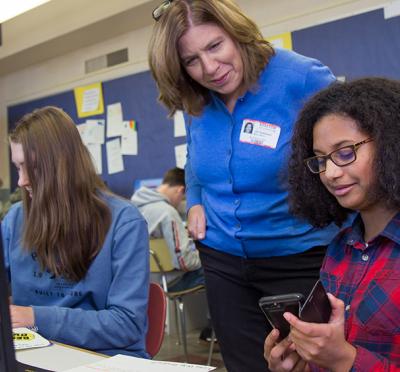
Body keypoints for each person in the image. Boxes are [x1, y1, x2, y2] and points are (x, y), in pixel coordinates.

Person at [148, 1, 339, 370]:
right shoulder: (195, 98)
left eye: (215, 46)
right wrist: (197, 199)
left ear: (236, 33)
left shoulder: (301, 77)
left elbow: (353, 144)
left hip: (299, 254)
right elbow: (194, 157)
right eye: (191, 60)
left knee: (310, 364)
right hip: (222, 259)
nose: (209, 68)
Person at [264, 77, 400, 371]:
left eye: (345, 152)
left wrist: (344, 360)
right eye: (321, 160)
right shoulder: (340, 249)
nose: (331, 173)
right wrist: (301, 362)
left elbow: (342, 359)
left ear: (391, 144)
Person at [1, 106, 150, 358]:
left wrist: (34, 317)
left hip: (102, 358)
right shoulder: (15, 218)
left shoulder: (124, 222)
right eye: (18, 167)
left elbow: (126, 325)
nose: (21, 181)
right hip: (33, 354)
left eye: (32, 167)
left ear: (64, 165)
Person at [131, 167, 204, 292]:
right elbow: (184, 262)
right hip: (168, 281)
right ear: (181, 190)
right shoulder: (167, 213)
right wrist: (204, 258)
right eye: (183, 198)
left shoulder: (133, 209)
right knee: (218, 270)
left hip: (143, 281)